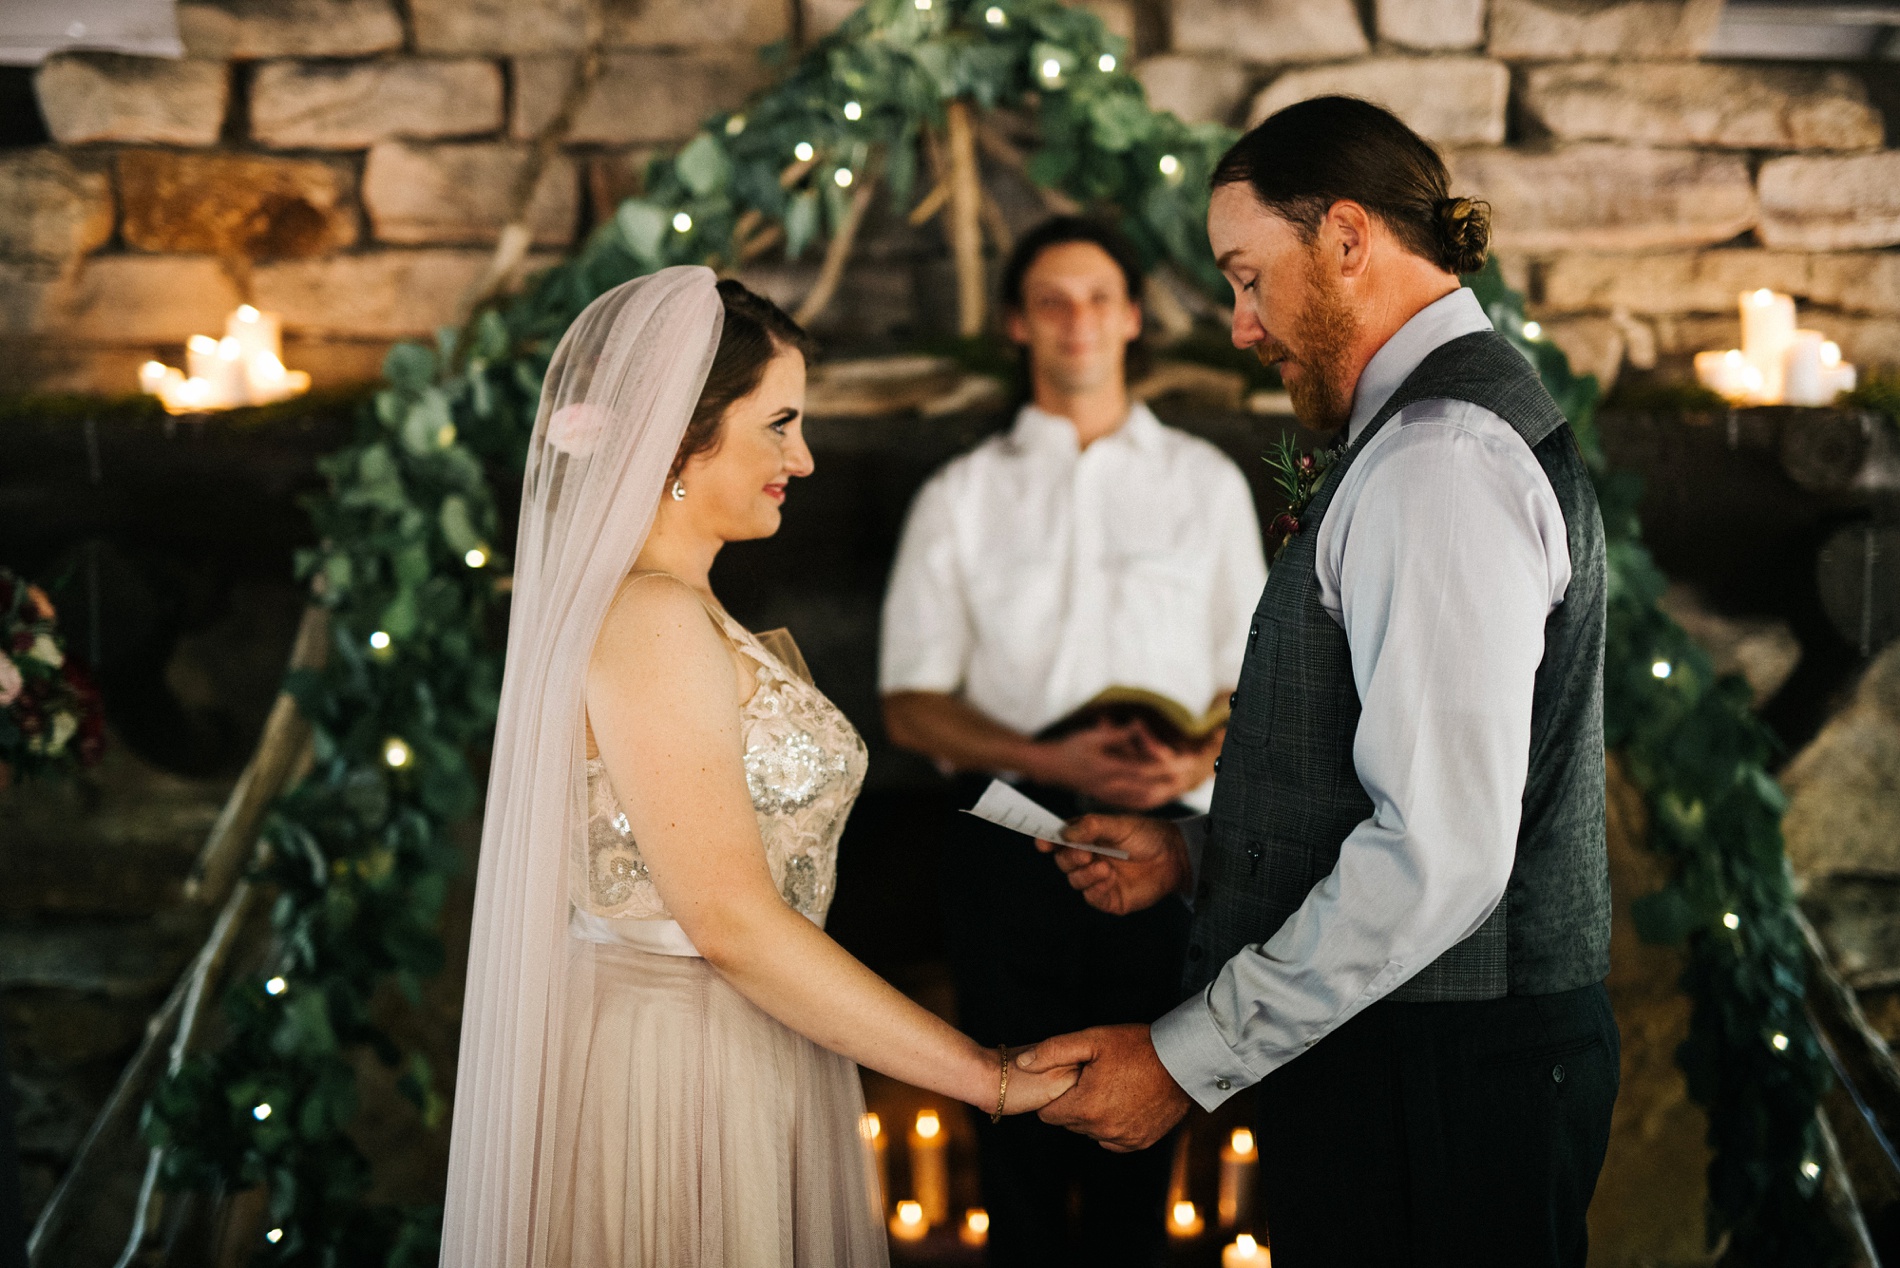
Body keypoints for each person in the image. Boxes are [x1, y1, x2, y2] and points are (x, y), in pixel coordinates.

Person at [1018, 97, 1620, 1267]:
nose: (1241, 326)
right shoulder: (1426, 434)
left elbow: (1436, 851)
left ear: (1345, 237)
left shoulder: (1441, 460)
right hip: (1422, 1064)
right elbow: (1395, 777)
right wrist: (1194, 856)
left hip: (1444, 1084)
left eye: (1248, 277)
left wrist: (1185, 1056)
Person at [439, 268, 1077, 1268]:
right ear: (685, 433)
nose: (804, 457)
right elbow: (728, 918)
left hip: (746, 1033)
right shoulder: (650, 618)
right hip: (677, 1061)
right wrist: (983, 1074)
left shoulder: (689, 610)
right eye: (778, 423)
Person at [880, 218, 1266, 1265]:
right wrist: (1053, 763)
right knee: (1014, 1148)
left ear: (1133, 317)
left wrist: (1195, 765)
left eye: (1099, 297)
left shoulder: (1206, 484)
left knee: (1147, 1144)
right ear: (1017, 324)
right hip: (1007, 845)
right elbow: (910, 704)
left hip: (1170, 845)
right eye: (1051, 299)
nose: (1077, 320)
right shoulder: (959, 495)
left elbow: (1257, 680)